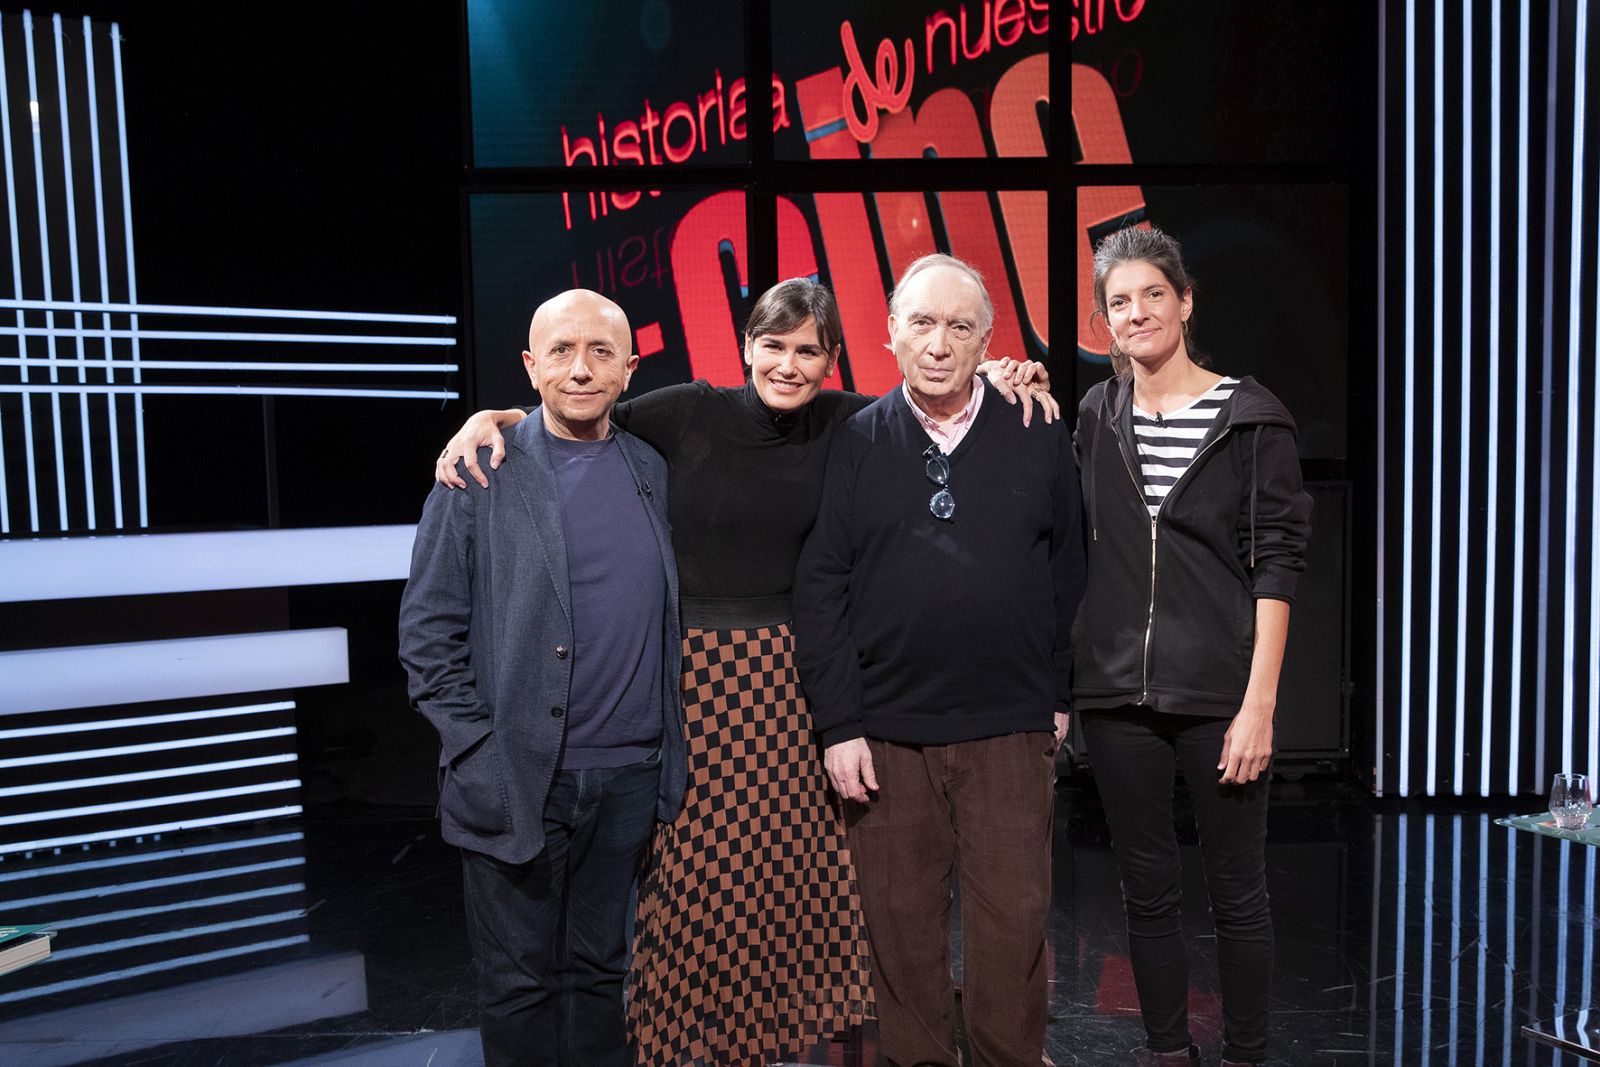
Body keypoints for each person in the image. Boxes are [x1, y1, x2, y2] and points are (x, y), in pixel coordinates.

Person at [432, 277, 1057, 1066]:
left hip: (794, 685)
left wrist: (1006, 374)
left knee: (793, 883)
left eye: (807, 351)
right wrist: (487, 419)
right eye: (773, 345)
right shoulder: (687, 409)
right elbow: (576, 411)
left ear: (832, 360)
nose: (789, 365)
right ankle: (694, 1044)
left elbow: (931, 397)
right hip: (693, 684)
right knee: (694, 890)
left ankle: (780, 1039)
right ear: (746, 347)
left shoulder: (849, 422)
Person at [793, 253, 1085, 1067]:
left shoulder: (1036, 428)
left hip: (1009, 727)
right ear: (889, 333)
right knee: (902, 930)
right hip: (885, 733)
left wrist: (1055, 692)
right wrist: (839, 724)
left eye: (960, 326)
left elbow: (1070, 567)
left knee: (1014, 923)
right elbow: (822, 588)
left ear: (988, 339)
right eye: (920, 322)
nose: (938, 342)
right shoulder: (854, 438)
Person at [398, 290, 685, 1067]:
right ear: (530, 365)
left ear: (631, 368)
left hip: (628, 778)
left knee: (600, 975)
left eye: (600, 351)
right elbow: (426, 636)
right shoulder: (479, 467)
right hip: (518, 776)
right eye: (560, 351)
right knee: (517, 984)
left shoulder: (651, 467)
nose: (580, 368)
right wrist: (481, 751)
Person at [1075, 225, 1311, 1066]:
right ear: (1104, 319)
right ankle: (1167, 1051)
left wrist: (1260, 706)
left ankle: (1245, 1055)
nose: (1135, 313)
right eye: (1117, 301)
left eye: (1150, 294)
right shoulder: (1095, 416)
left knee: (1238, 894)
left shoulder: (1250, 417)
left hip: (1221, 698)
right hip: (1116, 699)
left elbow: (1278, 564)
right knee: (1147, 892)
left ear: (1184, 301)